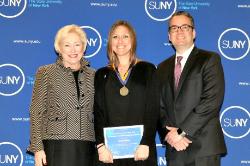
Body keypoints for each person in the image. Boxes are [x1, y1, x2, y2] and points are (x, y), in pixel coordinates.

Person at [156, 11, 227, 166]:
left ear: (194, 33)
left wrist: (181, 132)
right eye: (174, 28)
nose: (179, 31)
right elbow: (159, 106)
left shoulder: (210, 60)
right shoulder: (161, 68)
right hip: (175, 149)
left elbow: (211, 101)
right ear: (169, 36)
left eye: (185, 27)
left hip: (204, 148)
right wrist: (170, 135)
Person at [28, 24, 96, 166]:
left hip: (87, 147)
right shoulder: (46, 72)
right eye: (67, 45)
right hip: (56, 146)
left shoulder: (95, 75)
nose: (73, 50)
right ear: (58, 48)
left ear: (84, 47)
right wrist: (38, 149)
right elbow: (36, 111)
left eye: (77, 44)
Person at [94, 20, 158, 166]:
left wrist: (146, 142)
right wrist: (101, 146)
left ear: (133, 40)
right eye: (115, 37)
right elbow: (98, 113)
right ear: (110, 42)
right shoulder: (101, 74)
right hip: (110, 155)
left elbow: (153, 109)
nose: (120, 41)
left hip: (141, 152)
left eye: (125, 36)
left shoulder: (148, 69)